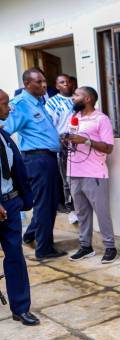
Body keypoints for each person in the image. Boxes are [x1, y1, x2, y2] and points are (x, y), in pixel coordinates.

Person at [0, 68, 66, 260]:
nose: (44, 85)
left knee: (50, 202)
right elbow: (6, 128)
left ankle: (30, 235)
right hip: (37, 160)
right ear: (27, 84)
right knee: (45, 204)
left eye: (45, 81)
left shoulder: (39, 102)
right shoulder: (20, 104)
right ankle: (44, 249)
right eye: (38, 82)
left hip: (47, 158)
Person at [65, 87, 117, 264]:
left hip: (94, 174)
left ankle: (110, 247)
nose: (73, 98)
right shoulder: (74, 118)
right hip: (73, 172)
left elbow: (108, 148)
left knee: (102, 212)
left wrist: (86, 140)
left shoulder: (101, 119)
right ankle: (85, 247)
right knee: (81, 213)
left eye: (76, 95)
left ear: (87, 99)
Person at [0, 89, 36, 325]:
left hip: (10, 204)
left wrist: (20, 200)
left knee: (15, 256)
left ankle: (20, 308)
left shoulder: (3, 134)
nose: (9, 108)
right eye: (4, 103)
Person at [46, 74, 78, 222]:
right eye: (62, 82)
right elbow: (49, 125)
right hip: (62, 142)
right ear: (57, 86)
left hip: (79, 141)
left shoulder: (78, 99)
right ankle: (70, 208)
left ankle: (79, 205)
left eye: (68, 81)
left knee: (78, 176)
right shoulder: (52, 103)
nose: (66, 84)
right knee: (66, 177)